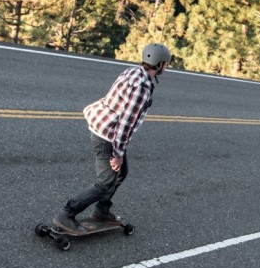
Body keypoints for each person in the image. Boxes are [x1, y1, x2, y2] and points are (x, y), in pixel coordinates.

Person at [54, 43, 172, 233]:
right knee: (105, 183)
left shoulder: (134, 71)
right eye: (165, 64)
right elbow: (125, 123)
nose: (166, 67)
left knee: (121, 173)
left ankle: (101, 211)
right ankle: (66, 214)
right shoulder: (142, 87)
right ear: (158, 64)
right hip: (107, 135)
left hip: (103, 125)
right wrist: (117, 153)